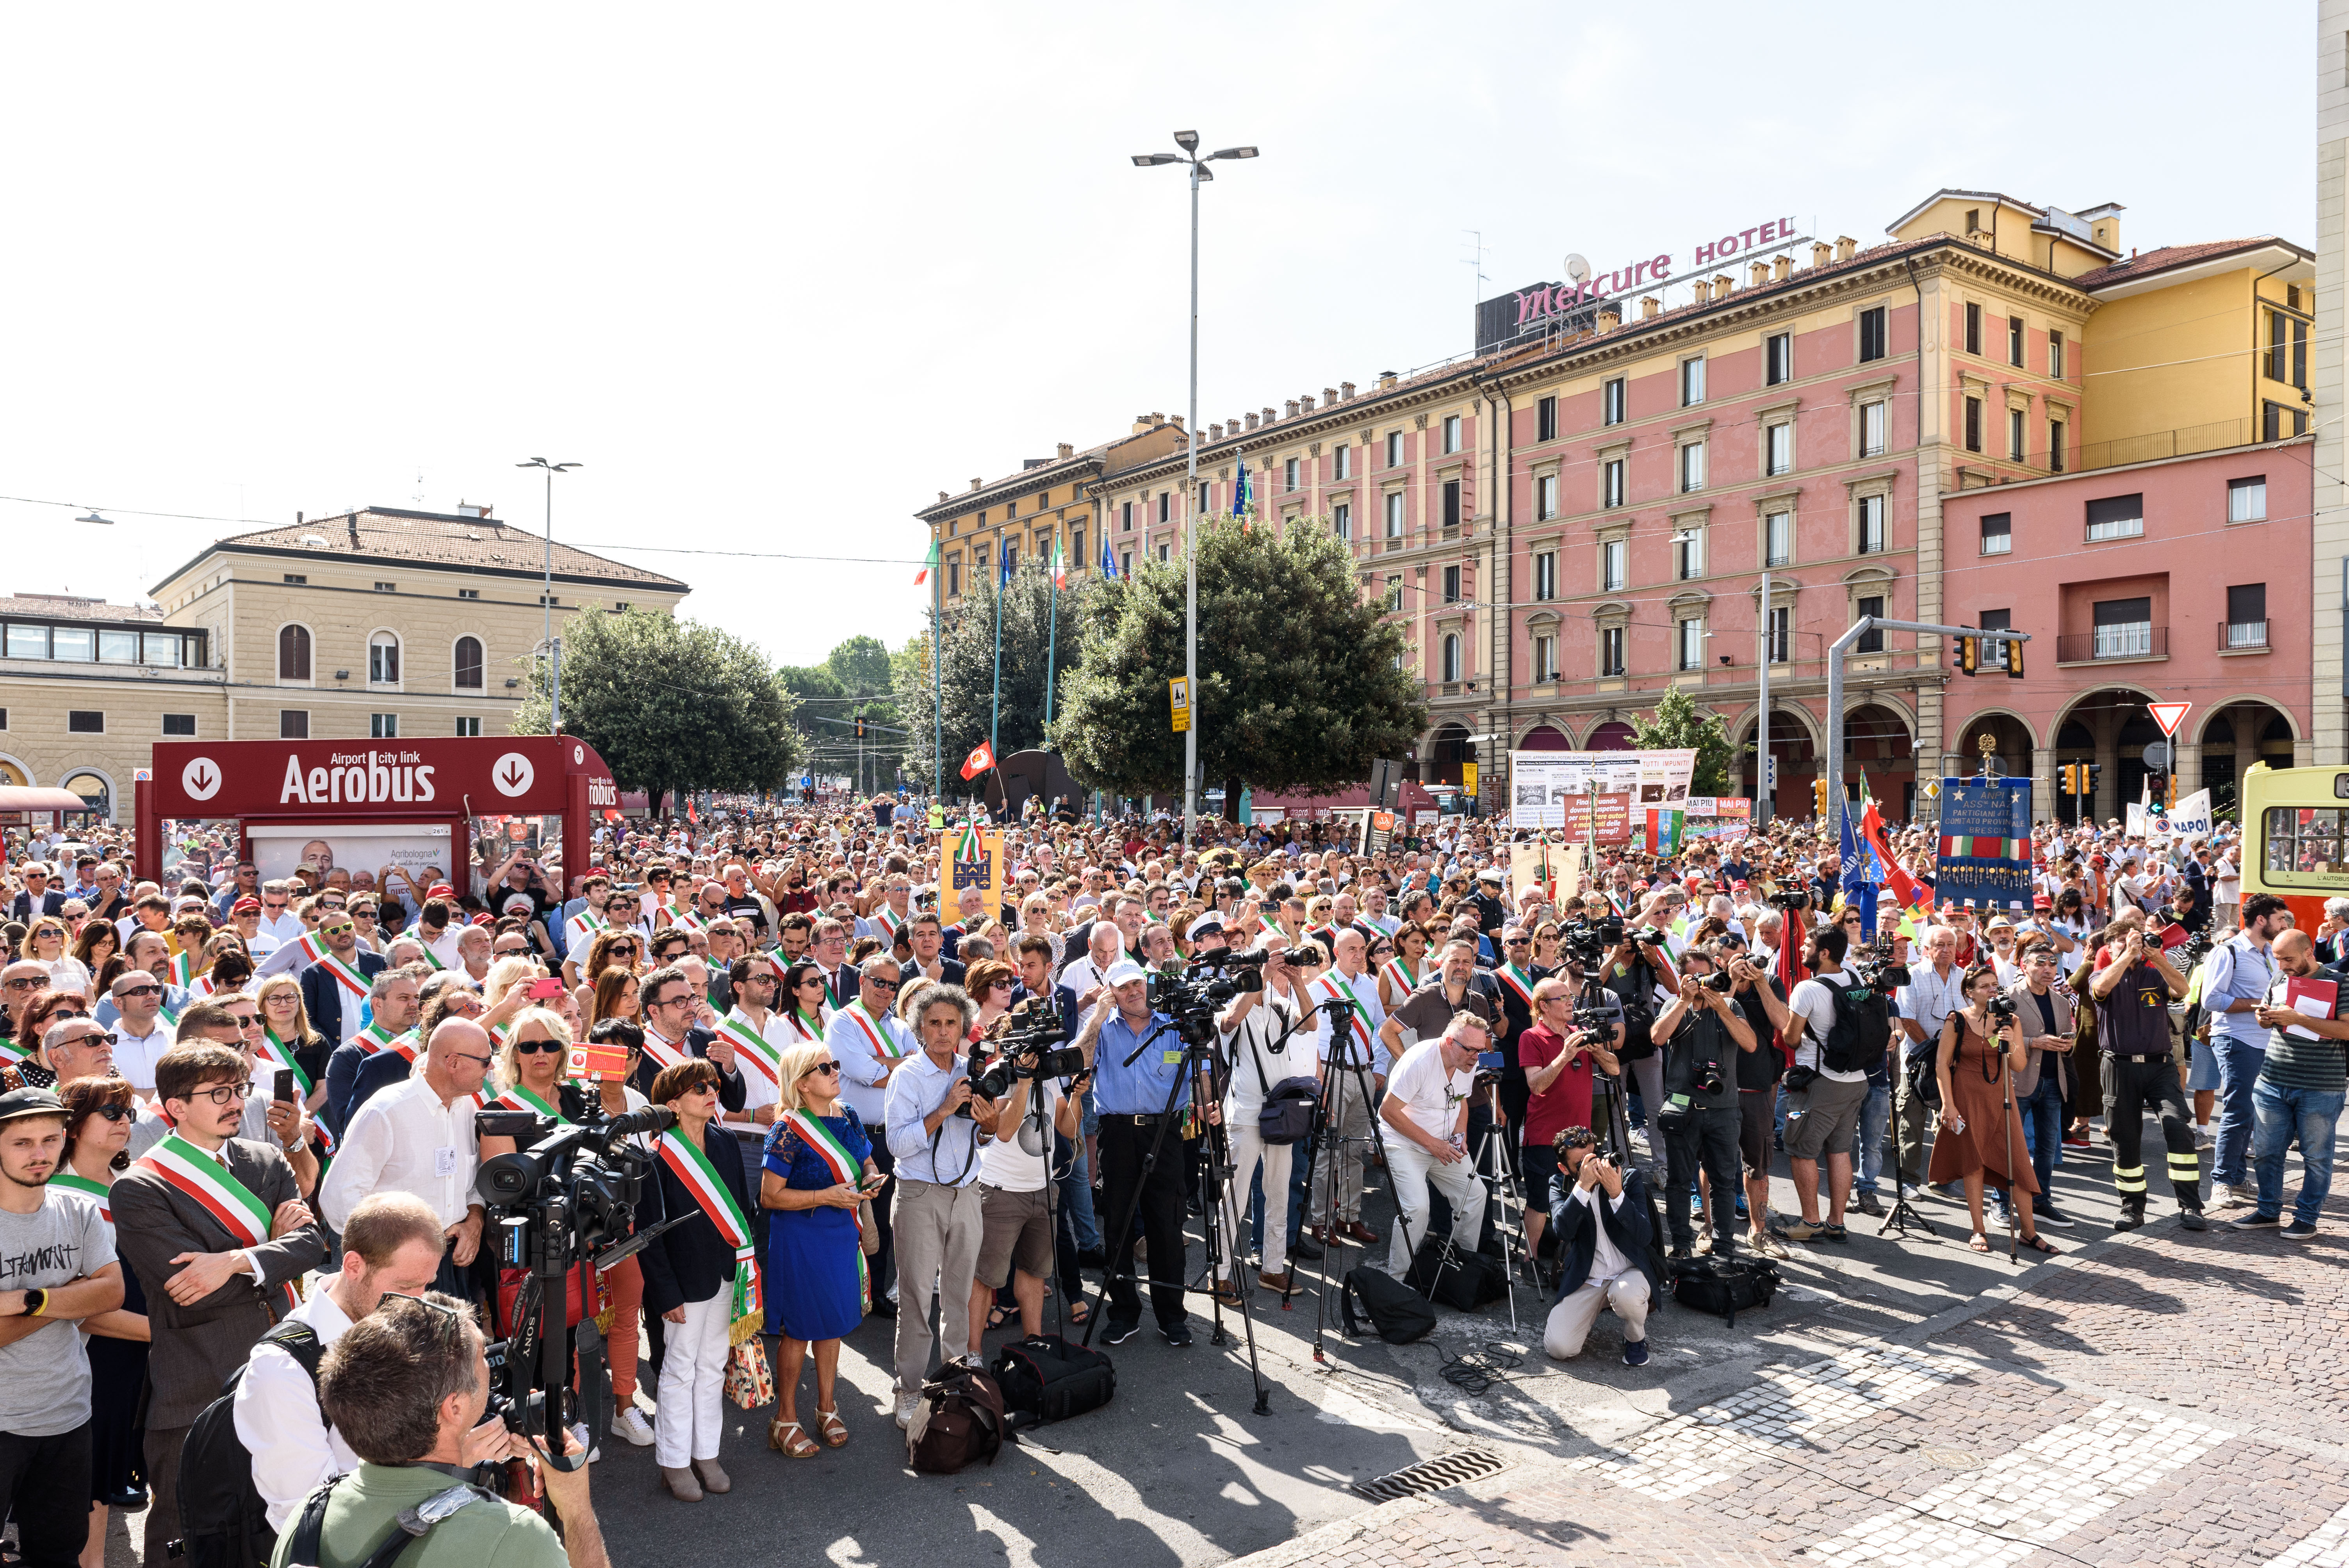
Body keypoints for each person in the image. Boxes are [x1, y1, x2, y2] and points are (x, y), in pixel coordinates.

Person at [111, 1044, 324, 1566]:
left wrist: (232, 1261)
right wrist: (271, 1252)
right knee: (185, 1535)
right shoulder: (140, 1186)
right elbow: (188, 1284)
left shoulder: (267, 1159)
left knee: (278, 1525)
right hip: (198, 1378)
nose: (236, 1104)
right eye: (219, 1093)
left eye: (239, 1090)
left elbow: (316, 1245)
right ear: (176, 1107)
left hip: (285, 1369)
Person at [281, 1292, 605, 1568]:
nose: (491, 1365)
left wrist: (458, 1466)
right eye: (482, 1356)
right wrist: (577, 1512)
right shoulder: (513, 1538)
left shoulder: (307, 1518)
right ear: (454, 1409)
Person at [236, 1192, 447, 1533]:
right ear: (353, 1266)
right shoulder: (279, 1370)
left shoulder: (402, 1325)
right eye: (406, 1286)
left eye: (426, 1285)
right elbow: (308, 1514)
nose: (419, 1302)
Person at [0, 1084, 127, 1568]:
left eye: (50, 1140)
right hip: (2, 1422)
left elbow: (110, 1292)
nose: (40, 1154)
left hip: (68, 1415)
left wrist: (30, 1299)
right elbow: (93, 1294)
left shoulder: (77, 1210)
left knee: (56, 1554)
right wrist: (72, 1295)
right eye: (22, 1142)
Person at [636, 1058, 756, 1502]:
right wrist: (664, 1292)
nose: (712, 1090)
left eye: (713, 1083)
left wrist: (746, 1265)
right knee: (678, 1369)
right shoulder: (654, 1155)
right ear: (672, 1102)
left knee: (711, 1367)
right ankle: (673, 1460)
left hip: (726, 1271)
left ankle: (706, 1453)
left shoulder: (725, 1140)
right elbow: (648, 1234)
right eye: (699, 1087)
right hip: (683, 1283)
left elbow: (742, 1208)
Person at [882, 983, 997, 1424]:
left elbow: (985, 1138)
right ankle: (908, 1389)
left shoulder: (975, 1070)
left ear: (963, 1026)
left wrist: (987, 1126)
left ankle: (955, 1381)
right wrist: (945, 1109)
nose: (944, 1031)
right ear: (920, 1028)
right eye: (935, 1023)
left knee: (959, 1294)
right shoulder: (907, 1076)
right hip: (919, 1194)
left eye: (951, 1022)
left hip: (967, 1191)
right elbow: (898, 1144)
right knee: (914, 1297)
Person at [761, 1041, 881, 1458]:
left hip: (841, 1231)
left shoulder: (847, 1114)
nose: (834, 1071)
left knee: (832, 1323)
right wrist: (826, 1195)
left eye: (834, 1063)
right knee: (799, 1330)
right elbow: (770, 1196)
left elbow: (865, 1158)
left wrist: (870, 1175)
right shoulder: (787, 1129)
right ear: (802, 1083)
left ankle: (827, 1406)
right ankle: (786, 1416)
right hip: (802, 1237)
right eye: (824, 1067)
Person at [49, 1074, 147, 1568]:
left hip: (133, 1360)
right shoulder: (54, 1196)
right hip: (88, 1360)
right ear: (73, 1124)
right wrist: (162, 1334)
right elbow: (78, 1308)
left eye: (128, 1112)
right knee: (85, 1483)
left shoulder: (133, 1185)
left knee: (107, 1478)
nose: (124, 1121)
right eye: (111, 1112)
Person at [317, 1018, 491, 1295]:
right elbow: (338, 1201)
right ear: (454, 1062)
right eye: (485, 1060)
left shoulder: (466, 1106)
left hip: (451, 1265)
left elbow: (470, 1184)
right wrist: (393, 1255)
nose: (491, 1067)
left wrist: (474, 1220)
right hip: (394, 1271)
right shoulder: (386, 1111)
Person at [966, 996, 1087, 1343]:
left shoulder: (1049, 1077)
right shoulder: (999, 1075)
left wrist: (1077, 1096)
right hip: (1001, 1192)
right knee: (986, 1278)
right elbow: (1003, 1131)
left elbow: (1066, 1128)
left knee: (1034, 1275)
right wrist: (1022, 1082)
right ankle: (973, 1354)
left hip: (1042, 1190)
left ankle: (1035, 1346)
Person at [1928, 965, 2053, 1255]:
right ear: (1969, 992)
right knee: (1974, 1164)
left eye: (1995, 985)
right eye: (1984, 986)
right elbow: (1941, 1065)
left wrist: (2010, 1041)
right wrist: (1948, 1104)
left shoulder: (2010, 1020)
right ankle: (1978, 1229)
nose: (1992, 990)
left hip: (2002, 1098)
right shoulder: (1957, 1020)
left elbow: (2020, 1066)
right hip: (1967, 1098)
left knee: (2017, 1163)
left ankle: (2029, 1233)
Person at [2087, 921, 2201, 1231]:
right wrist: (2127, 954)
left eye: (2133, 939)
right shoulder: (2103, 974)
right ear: (2109, 948)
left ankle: (2191, 1205)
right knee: (2125, 1140)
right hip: (2118, 1065)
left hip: (2159, 1065)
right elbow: (2100, 989)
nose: (2131, 945)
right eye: (2121, 941)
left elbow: (2183, 990)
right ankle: (2132, 1208)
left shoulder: (2154, 973)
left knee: (2178, 1126)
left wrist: (2157, 956)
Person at [1216, 935, 1313, 1296]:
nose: (1278, 962)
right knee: (1235, 1196)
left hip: (1280, 1112)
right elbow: (1229, 1023)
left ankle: (1273, 1268)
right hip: (1245, 1111)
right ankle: (1220, 1271)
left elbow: (1310, 1025)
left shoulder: (1280, 1003)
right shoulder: (1233, 1001)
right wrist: (1261, 974)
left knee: (1278, 1193)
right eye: (1271, 957)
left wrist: (1298, 982)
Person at [2236, 928, 2347, 1237]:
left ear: (2309, 952)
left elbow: (2347, 1030)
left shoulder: (2340, 982)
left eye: (2288, 959)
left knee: (2317, 1157)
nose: (2283, 965)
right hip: (2273, 1080)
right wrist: (2264, 1016)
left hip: (2322, 1085)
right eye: (2278, 959)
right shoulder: (2279, 979)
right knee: (2268, 1153)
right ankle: (2268, 1210)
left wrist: (2298, 1018)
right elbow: (2265, 1015)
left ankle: (2307, 1219)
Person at [1649, 946, 1754, 1260]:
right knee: (1679, 1182)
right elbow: (1657, 1037)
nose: (1701, 983)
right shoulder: (1674, 1004)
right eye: (1694, 976)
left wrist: (1721, 1008)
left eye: (1706, 975)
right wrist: (1683, 1000)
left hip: (1723, 1110)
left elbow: (1750, 1044)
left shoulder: (1731, 1004)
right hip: (1683, 1109)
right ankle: (1681, 1245)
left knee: (1724, 1182)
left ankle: (1724, 1247)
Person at [1774, 921, 1870, 1244]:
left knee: (1801, 1150)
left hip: (1820, 1084)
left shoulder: (1807, 989)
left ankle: (1811, 1222)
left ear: (1824, 953)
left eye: (1808, 946)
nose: (1802, 949)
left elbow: (1790, 1037)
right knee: (1841, 1151)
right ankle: (1836, 1223)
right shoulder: (1856, 976)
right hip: (1856, 1080)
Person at [1517, 976, 1621, 1266]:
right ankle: (1531, 1259)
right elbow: (1536, 1085)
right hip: (1544, 1135)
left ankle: (1577, 1258)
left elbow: (1614, 1070)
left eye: (1570, 998)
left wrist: (1597, 1050)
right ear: (1543, 1007)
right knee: (1539, 1200)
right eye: (1562, 999)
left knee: (1585, 1196)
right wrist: (1565, 1055)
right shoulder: (1532, 1037)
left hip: (1581, 1139)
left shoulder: (1580, 1032)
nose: (1570, 1003)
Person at [828, 957, 911, 1316]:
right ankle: (846, 1292)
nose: (886, 991)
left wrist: (881, 1062)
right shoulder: (843, 1020)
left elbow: (917, 1068)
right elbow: (864, 1072)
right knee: (852, 1216)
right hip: (854, 1134)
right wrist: (897, 1064)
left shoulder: (900, 1025)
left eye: (893, 985)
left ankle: (875, 1292)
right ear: (862, 982)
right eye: (880, 982)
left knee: (884, 1216)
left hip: (892, 1134)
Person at [1377, 1012, 1490, 1276]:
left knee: (1475, 1195)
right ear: (1450, 1042)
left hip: (1441, 1144)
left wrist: (1459, 1134)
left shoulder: (1466, 1060)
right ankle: (1396, 1279)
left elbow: (1461, 1098)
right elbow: (1388, 1111)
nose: (1477, 1057)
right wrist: (1433, 1145)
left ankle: (1463, 1267)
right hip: (1404, 1144)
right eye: (1472, 1050)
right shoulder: (1420, 1061)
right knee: (1417, 1209)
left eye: (1481, 1051)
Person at [1543, 1126, 1659, 1366]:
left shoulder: (1627, 1178)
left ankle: (1635, 1338)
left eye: (1593, 1159)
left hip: (1630, 1272)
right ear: (1564, 1168)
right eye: (1580, 1165)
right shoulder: (1560, 1184)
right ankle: (1592, 1311)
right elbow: (1562, 1231)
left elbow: (1645, 1235)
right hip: (1589, 1276)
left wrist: (1617, 1194)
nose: (1591, 1168)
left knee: (1626, 1294)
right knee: (1559, 1347)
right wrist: (1582, 1188)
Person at [2201, 894, 2289, 1210]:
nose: (2284, 925)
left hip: (2265, 1043)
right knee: (2238, 1111)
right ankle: (2222, 1182)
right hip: (2237, 1040)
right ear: (2262, 920)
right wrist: (2260, 1006)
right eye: (2281, 919)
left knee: (2250, 1113)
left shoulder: (2269, 953)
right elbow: (2211, 1000)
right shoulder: (2228, 952)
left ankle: (2236, 1179)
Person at [2006, 945, 2077, 1227]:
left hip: (2052, 1080)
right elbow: (1991, 1040)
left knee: (2048, 1148)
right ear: (2024, 967)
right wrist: (2033, 1043)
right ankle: (2001, 1202)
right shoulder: (2009, 998)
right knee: (2011, 1146)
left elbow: (2066, 1042)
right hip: (2020, 1081)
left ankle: (2041, 1200)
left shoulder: (2061, 1001)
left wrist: (2067, 1045)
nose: (2048, 969)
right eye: (2041, 963)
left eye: (2053, 963)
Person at [1893, 925, 1965, 1201]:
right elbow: (1908, 1019)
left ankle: (1942, 1179)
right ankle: (1908, 1181)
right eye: (1939, 945)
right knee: (1912, 1122)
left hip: (1953, 1062)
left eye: (1950, 944)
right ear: (1926, 948)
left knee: (1949, 1119)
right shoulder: (1913, 976)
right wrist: (1935, 1053)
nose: (1945, 950)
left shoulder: (1963, 977)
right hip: (1918, 1062)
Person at [296, 906, 387, 1047]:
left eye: (347, 927)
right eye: (335, 931)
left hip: (380, 1045)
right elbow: (308, 1018)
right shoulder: (312, 974)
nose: (343, 933)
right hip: (336, 1050)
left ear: (355, 929)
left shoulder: (380, 962)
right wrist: (331, 1047)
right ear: (323, 939)